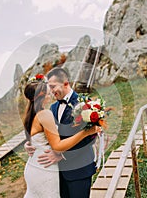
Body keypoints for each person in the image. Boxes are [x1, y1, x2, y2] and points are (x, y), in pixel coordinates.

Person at [25, 67, 97, 198]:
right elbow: (45, 133)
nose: (51, 92)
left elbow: (90, 137)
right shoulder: (52, 108)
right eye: (49, 88)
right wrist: (31, 144)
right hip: (55, 170)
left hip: (78, 169)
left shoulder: (85, 104)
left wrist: (62, 156)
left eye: (53, 87)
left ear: (65, 83)